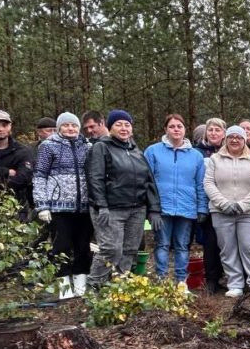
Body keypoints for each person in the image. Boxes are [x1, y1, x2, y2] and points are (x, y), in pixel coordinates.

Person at [86, 110, 162, 287]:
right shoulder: (101, 147)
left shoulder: (136, 151)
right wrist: (101, 205)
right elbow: (95, 178)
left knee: (130, 250)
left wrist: (154, 209)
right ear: (110, 127)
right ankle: (94, 286)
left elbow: (148, 181)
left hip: (136, 209)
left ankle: (119, 287)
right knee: (111, 250)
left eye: (127, 124)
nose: (123, 128)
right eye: (118, 124)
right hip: (111, 209)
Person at [32, 111, 93, 299]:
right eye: (66, 125)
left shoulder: (88, 146)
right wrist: (42, 205)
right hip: (58, 208)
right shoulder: (48, 146)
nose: (70, 128)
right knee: (61, 247)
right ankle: (64, 287)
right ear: (59, 128)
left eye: (74, 125)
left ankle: (81, 284)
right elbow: (39, 176)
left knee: (83, 246)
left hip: (84, 207)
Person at [144, 113, 208, 286]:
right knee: (162, 244)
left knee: (182, 245)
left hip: (186, 208)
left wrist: (202, 208)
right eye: (172, 126)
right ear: (165, 129)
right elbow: (147, 182)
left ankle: (181, 282)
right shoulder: (152, 151)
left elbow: (200, 184)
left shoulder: (196, 156)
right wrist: (150, 208)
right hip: (161, 208)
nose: (176, 129)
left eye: (179, 126)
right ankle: (162, 281)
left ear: (185, 129)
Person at [204, 125, 250, 299]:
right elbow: (208, 183)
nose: (234, 140)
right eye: (231, 137)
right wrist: (224, 204)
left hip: (248, 212)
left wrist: (242, 205)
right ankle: (235, 284)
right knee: (227, 249)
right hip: (221, 212)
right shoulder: (215, 159)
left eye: (238, 137)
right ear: (226, 139)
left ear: (244, 140)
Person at [194, 118, 227, 292]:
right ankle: (212, 279)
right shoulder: (197, 152)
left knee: (227, 242)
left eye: (217, 130)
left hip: (229, 203)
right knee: (210, 242)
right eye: (211, 130)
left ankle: (229, 277)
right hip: (207, 203)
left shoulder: (230, 150)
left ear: (224, 133)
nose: (214, 133)